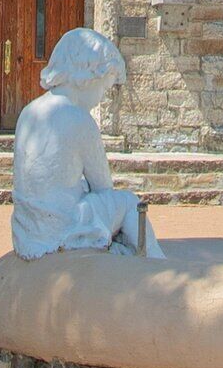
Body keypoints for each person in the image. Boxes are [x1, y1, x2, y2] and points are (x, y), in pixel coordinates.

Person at [10, 29, 161, 261]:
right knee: (129, 203)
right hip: (63, 226)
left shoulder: (29, 111)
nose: (101, 98)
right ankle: (155, 261)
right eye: (103, 88)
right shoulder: (80, 119)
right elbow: (102, 186)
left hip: (28, 230)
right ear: (88, 78)